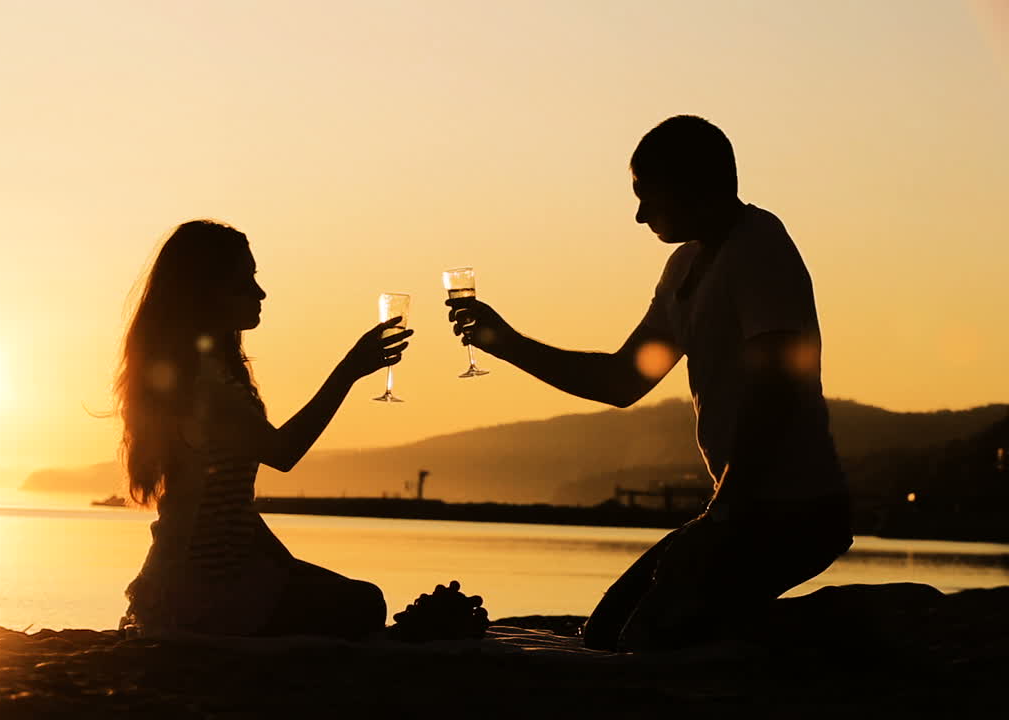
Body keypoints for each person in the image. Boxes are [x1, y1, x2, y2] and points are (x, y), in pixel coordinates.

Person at [447, 115, 853, 651]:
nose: (639, 215)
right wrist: (507, 343)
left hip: (796, 511)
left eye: (646, 194)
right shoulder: (683, 268)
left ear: (691, 184)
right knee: (606, 631)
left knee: (649, 639)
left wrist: (725, 511)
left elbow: (776, 383)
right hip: (739, 510)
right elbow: (622, 380)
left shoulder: (761, 246)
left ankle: (832, 635)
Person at [117, 219, 410, 638]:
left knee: (360, 600)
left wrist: (288, 570)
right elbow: (283, 452)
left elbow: (234, 509)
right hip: (205, 593)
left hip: (207, 579)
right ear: (206, 294)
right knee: (364, 605)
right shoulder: (204, 385)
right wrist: (349, 371)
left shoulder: (204, 372)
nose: (260, 293)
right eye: (244, 282)